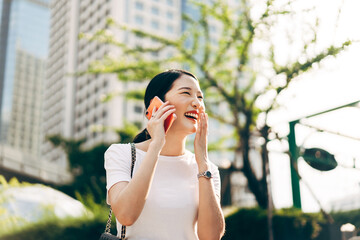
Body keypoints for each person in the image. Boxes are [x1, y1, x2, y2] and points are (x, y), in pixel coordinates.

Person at [105, 69, 225, 240]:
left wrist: (203, 163)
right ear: (157, 103)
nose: (197, 103)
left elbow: (210, 237)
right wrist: (156, 146)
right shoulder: (121, 153)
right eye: (186, 93)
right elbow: (126, 214)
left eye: (200, 97)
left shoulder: (207, 170)